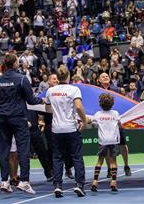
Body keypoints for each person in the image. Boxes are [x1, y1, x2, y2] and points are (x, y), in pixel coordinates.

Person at [0, 53, 44, 194]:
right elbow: (31, 100)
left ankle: (4, 181)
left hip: (3, 118)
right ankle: (24, 181)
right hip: (18, 118)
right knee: (23, 149)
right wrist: (43, 101)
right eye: (18, 61)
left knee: (4, 150)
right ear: (15, 63)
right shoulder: (22, 79)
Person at [45, 67, 88, 198]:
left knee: (57, 157)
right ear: (68, 76)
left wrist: (58, 111)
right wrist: (85, 121)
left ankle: (58, 186)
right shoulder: (74, 89)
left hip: (56, 129)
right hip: (71, 128)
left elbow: (47, 109)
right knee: (76, 156)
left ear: (57, 78)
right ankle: (79, 185)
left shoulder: (50, 91)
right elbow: (79, 106)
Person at [98, 73, 132, 177]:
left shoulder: (116, 90)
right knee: (107, 147)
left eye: (107, 76)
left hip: (117, 121)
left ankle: (126, 166)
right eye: (103, 76)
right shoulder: (96, 91)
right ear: (99, 80)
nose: (106, 77)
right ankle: (109, 169)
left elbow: (124, 103)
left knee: (122, 145)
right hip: (105, 124)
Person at [89, 93, 121, 192]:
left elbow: (93, 124)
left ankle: (95, 181)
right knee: (113, 161)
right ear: (112, 103)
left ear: (100, 103)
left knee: (100, 160)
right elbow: (120, 124)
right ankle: (113, 182)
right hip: (113, 140)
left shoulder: (98, 114)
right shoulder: (115, 113)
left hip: (103, 141)